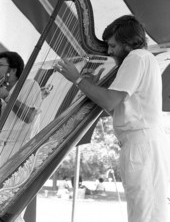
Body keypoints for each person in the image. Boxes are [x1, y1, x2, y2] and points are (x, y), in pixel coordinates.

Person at [54, 15, 170, 222]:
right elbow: (117, 110)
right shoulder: (144, 59)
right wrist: (89, 89)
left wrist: (78, 79)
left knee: (144, 214)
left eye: (113, 45)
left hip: (142, 145)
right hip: (142, 144)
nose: (109, 51)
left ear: (128, 42)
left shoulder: (137, 58)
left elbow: (110, 101)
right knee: (145, 212)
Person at [0, 48, 42, 222]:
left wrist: (7, 96)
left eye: (0, 65)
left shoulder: (30, 85)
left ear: (14, 69)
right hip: (2, 146)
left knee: (9, 203)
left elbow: (29, 116)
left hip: (19, 148)